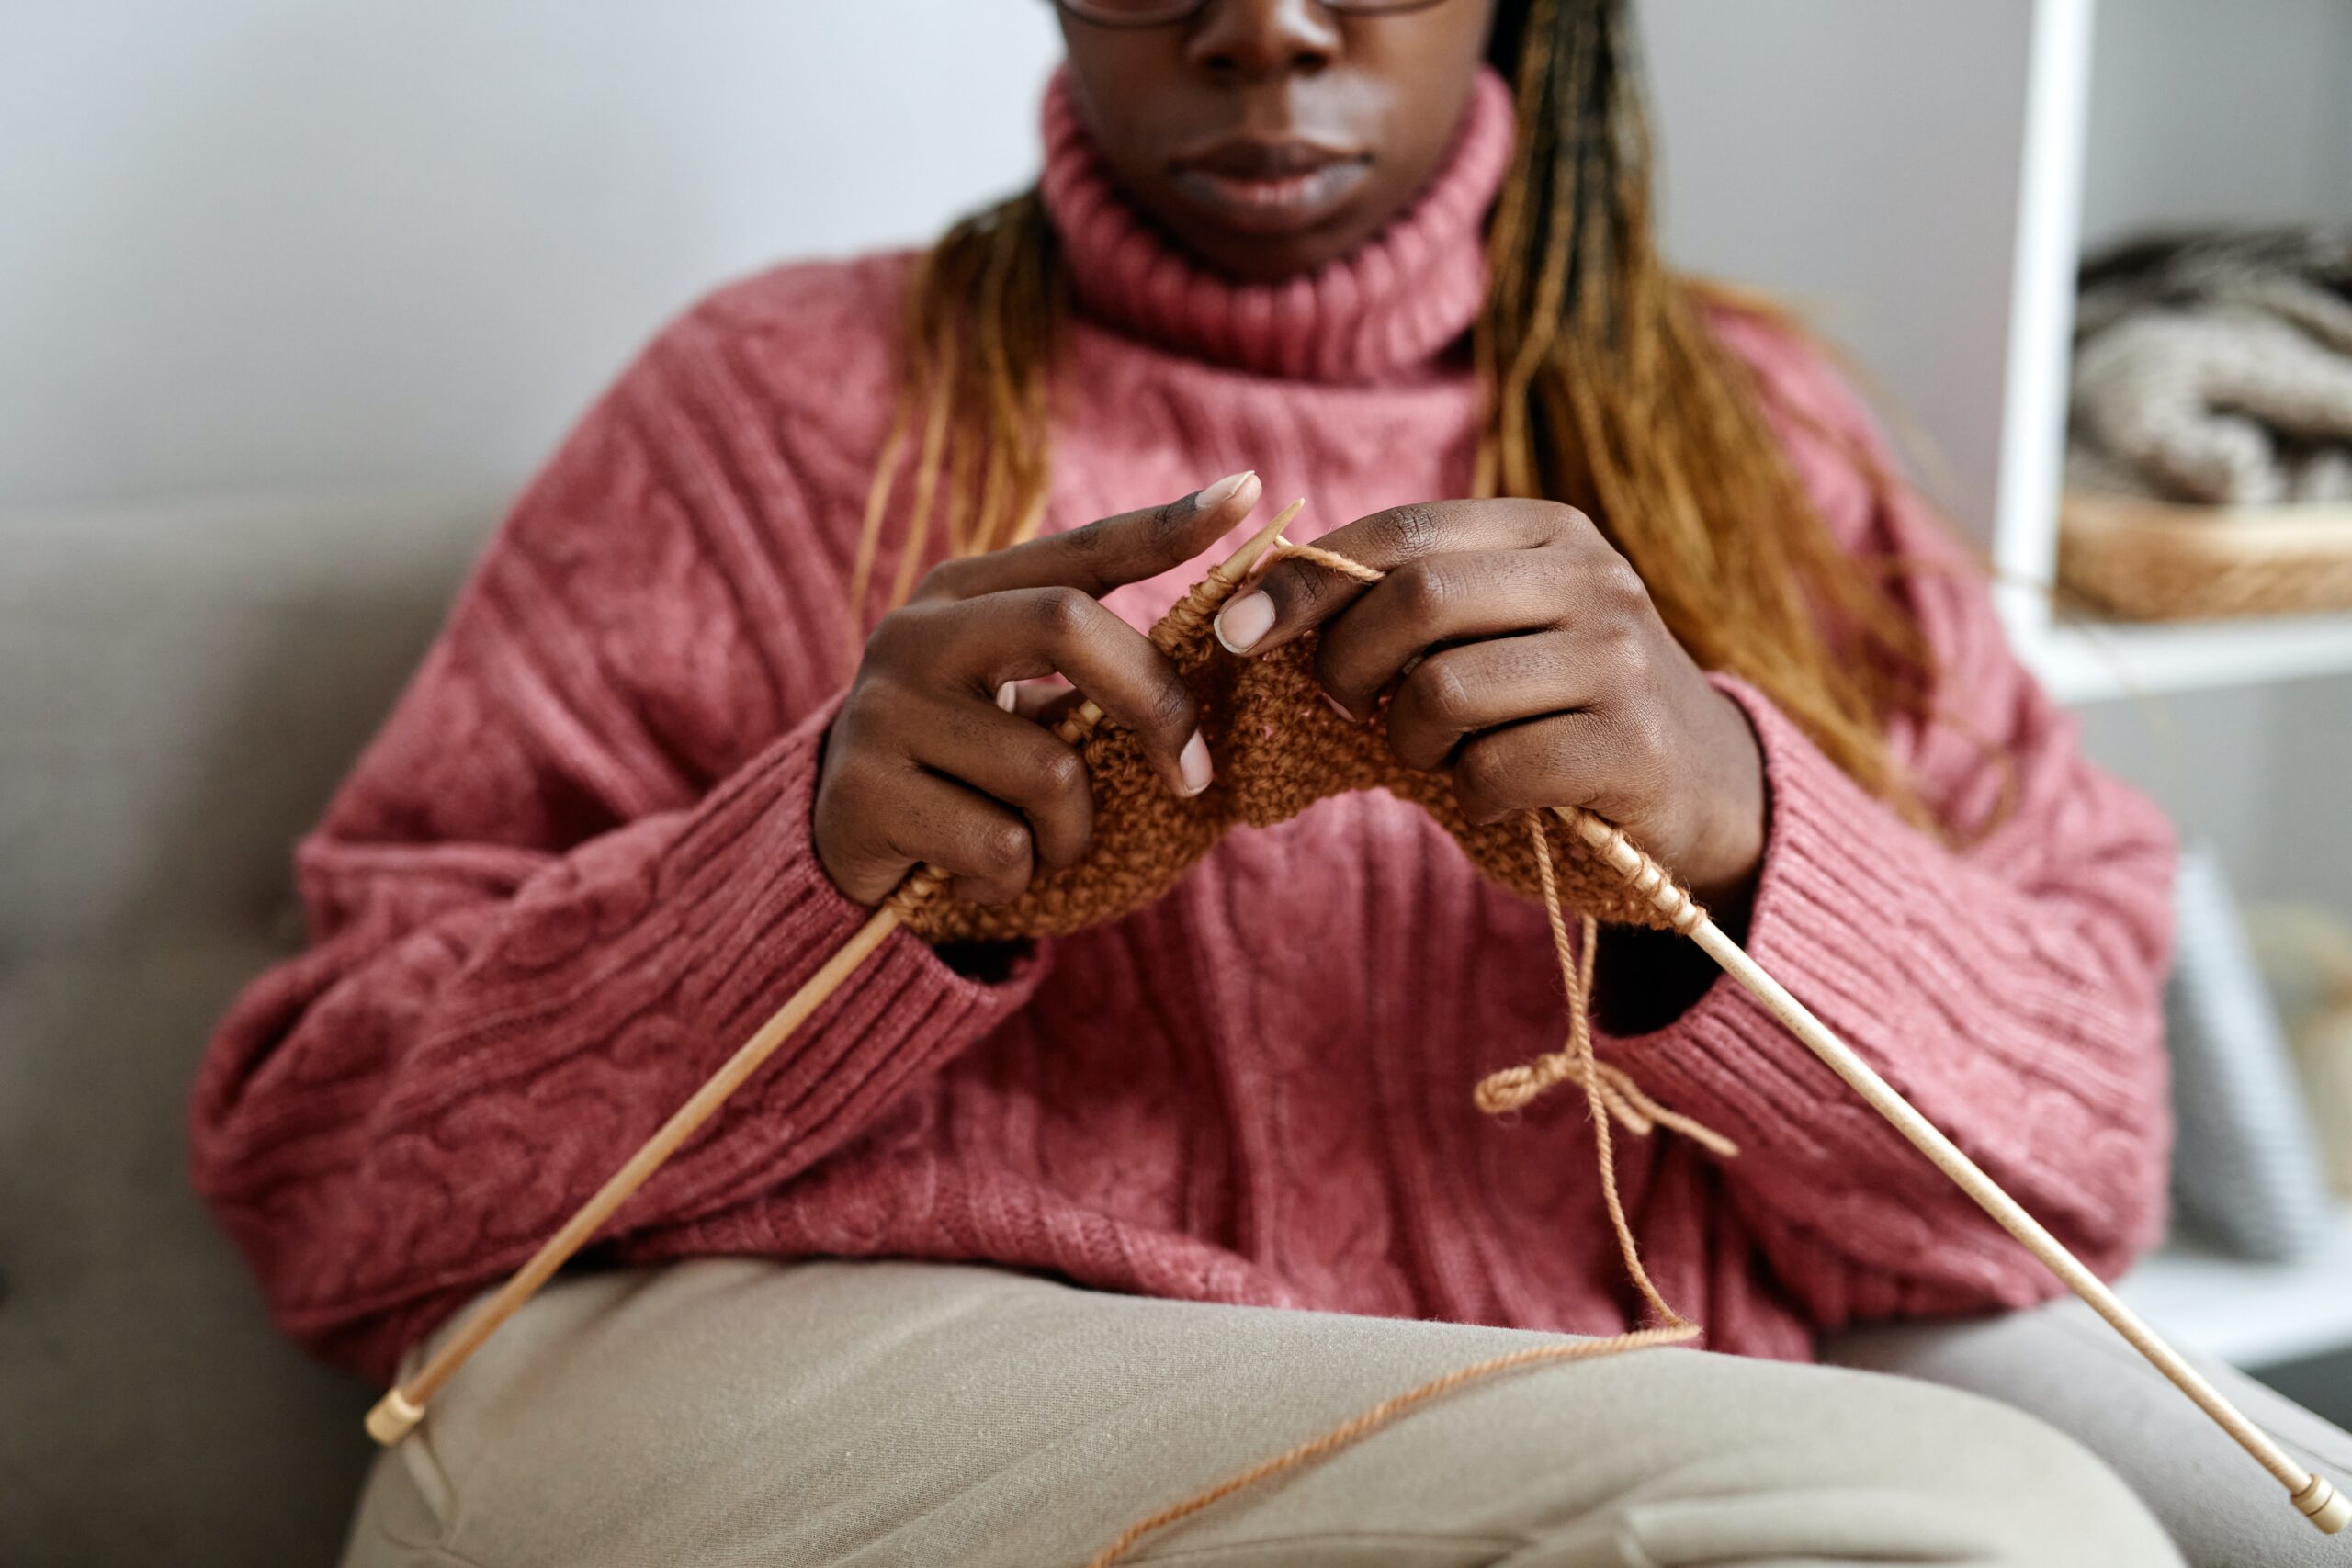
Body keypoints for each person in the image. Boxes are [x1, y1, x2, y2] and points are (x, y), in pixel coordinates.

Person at [190, 2, 2342, 1563]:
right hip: (858, 1366)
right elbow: (319, 1162)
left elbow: (2088, 1161)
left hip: (1610, 1383)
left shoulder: (1751, 436)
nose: (1264, 29)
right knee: (1973, 1529)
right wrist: (816, 865)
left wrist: (1730, 824)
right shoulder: (767, 405)